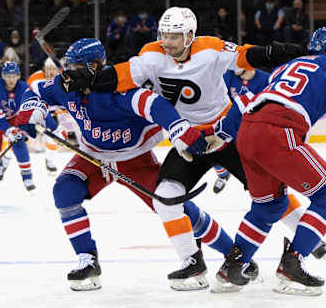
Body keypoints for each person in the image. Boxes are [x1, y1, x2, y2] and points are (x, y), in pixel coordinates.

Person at [59, 7, 326, 292]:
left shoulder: (210, 49)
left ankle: (310, 239)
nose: (167, 42)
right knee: (165, 197)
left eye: (174, 36)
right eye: (163, 34)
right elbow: (118, 76)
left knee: (268, 191)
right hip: (188, 138)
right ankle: (193, 261)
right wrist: (84, 80)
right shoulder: (152, 54)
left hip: (228, 135)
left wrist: (285, 51)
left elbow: (248, 56)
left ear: (189, 35)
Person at [16, 38, 242, 291]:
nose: (68, 71)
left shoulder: (119, 87)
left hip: (135, 160)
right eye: (68, 65)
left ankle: (232, 254)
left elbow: (155, 105)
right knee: (64, 191)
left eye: (76, 66)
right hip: (93, 156)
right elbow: (34, 90)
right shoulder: (65, 84)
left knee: (172, 207)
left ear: (96, 65)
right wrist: (30, 112)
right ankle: (87, 260)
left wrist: (180, 130)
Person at [213, 27, 326, 296]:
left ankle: (232, 268)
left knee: (269, 207)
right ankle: (292, 265)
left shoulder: (284, 67)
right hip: (278, 132)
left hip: (249, 132)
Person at [212, 68, 270, 194]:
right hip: (229, 122)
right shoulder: (228, 75)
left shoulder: (266, 79)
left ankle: (263, 189)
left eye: (237, 63)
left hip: (253, 126)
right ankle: (223, 175)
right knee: (212, 148)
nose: (232, 66)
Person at [0, 61, 35, 191]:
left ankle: (27, 177)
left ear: (18, 75)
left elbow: (30, 109)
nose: (11, 79)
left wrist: (24, 128)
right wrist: (10, 130)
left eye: (14, 75)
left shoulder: (24, 88)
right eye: (8, 76)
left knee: (19, 141)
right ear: (3, 76)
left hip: (11, 117)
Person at [27, 57, 72, 174]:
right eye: (48, 69)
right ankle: (9, 159)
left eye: (53, 69)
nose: (51, 71)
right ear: (44, 69)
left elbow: (64, 100)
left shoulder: (61, 81)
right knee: (23, 138)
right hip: (33, 112)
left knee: (55, 136)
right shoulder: (36, 78)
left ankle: (49, 160)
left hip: (50, 113)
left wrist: (66, 110)